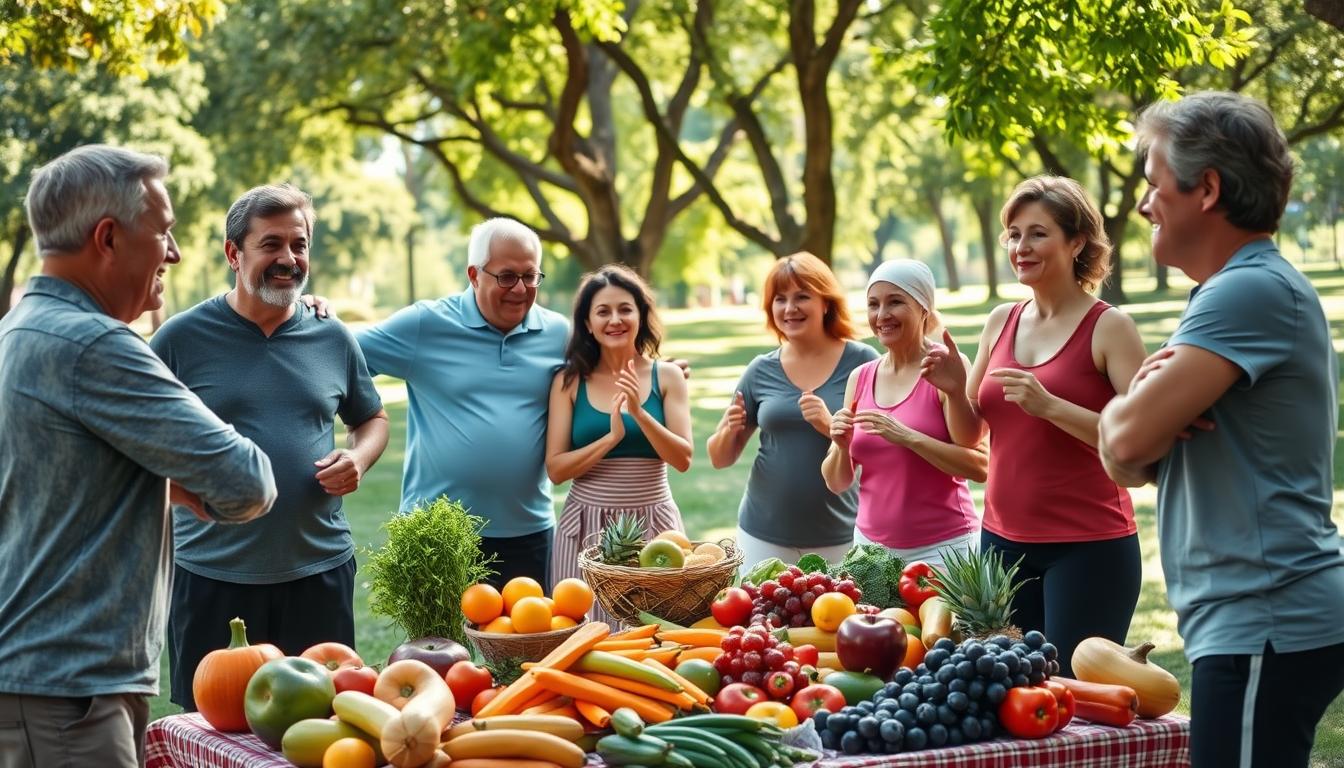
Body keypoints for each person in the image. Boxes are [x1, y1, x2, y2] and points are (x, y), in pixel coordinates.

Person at [0, 145, 276, 766]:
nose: (174, 253)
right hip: (69, 696)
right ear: (107, 237)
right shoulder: (94, 344)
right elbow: (247, 481)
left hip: (43, 683)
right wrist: (178, 472)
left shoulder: (18, 331)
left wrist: (150, 470)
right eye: (164, 231)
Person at [1098, 91, 1344, 768]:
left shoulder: (1249, 291)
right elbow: (1131, 461)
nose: (1145, 205)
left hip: (1265, 619)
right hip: (1249, 622)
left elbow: (1122, 443)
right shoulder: (1229, 291)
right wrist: (1135, 418)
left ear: (1206, 188)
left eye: (1154, 186)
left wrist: (1130, 411)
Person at [150, 184, 389, 712]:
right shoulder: (178, 340)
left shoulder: (332, 336)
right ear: (234, 253)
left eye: (299, 245)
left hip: (319, 571)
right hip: (211, 575)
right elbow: (133, 446)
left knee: (324, 726)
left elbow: (371, 418)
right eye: (271, 244)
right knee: (214, 732)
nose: (288, 258)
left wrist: (359, 457)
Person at [919, 176, 1147, 676]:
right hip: (1002, 544)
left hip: (1090, 548)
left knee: (1073, 696)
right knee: (1012, 694)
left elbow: (1141, 445)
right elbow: (968, 436)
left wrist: (1052, 407)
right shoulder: (1001, 320)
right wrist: (956, 389)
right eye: (1014, 234)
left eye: (1038, 233)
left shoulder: (1110, 327)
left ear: (1077, 241)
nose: (1021, 247)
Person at [355, 218, 568, 590]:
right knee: (436, 648)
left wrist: (662, 375)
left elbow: (609, 372)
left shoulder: (559, 334)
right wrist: (314, 311)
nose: (520, 289)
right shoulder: (425, 324)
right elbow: (339, 357)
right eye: (506, 277)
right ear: (474, 274)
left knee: (529, 648)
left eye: (530, 276)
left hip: (528, 531)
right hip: (437, 533)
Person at [706, 252, 878, 569]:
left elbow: (882, 447)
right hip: (762, 535)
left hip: (840, 535)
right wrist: (728, 430)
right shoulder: (760, 370)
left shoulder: (863, 361)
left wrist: (829, 426)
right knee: (762, 618)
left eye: (802, 296)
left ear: (826, 302)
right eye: (780, 299)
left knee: (837, 619)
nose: (790, 308)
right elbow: (720, 458)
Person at [545, 265, 692, 623]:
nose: (615, 319)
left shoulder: (667, 376)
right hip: (585, 526)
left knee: (659, 632)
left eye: (625, 309)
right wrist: (611, 438)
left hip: (654, 523)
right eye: (603, 311)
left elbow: (683, 458)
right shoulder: (569, 381)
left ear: (641, 315)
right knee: (581, 636)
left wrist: (640, 415)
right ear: (587, 323)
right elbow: (556, 469)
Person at [821, 260, 985, 568]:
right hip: (870, 552)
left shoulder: (947, 365)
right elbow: (837, 482)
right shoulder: (860, 377)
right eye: (873, 304)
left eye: (895, 302)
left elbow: (979, 466)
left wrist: (908, 437)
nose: (882, 315)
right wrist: (840, 446)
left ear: (924, 308)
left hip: (944, 551)